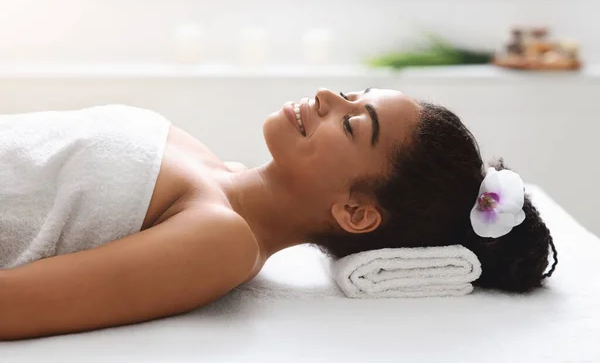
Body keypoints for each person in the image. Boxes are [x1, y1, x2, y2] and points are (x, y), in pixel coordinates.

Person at [0, 88, 557, 340]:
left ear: (356, 213)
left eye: (351, 123)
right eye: (350, 93)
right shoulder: (205, 161)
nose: (325, 97)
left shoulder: (222, 243)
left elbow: (14, 306)